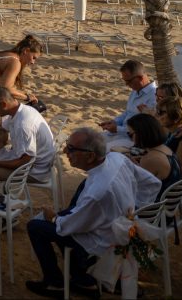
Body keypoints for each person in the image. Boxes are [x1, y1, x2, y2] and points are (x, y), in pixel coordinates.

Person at [26, 127, 160, 298]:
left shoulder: (98, 193)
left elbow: (69, 227)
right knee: (82, 188)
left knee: (36, 226)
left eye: (72, 149)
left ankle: (55, 282)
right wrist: (133, 209)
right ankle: (82, 278)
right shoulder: (117, 158)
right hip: (118, 221)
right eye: (67, 145)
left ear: (90, 156)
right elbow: (151, 183)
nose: (66, 151)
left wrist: (53, 217)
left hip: (104, 238)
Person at [0, 86, 55, 182]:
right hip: (28, 162)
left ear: (3, 104)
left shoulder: (23, 125)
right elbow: (1, 127)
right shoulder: (20, 109)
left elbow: (24, 162)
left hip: (35, 172)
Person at [126, 113, 180, 198]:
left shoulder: (150, 159)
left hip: (153, 206)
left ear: (141, 134)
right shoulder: (165, 148)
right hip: (165, 198)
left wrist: (133, 167)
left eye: (130, 134)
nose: (130, 138)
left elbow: (134, 186)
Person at [99, 59, 156, 134]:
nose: (127, 84)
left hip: (134, 137)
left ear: (140, 78)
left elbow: (144, 128)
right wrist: (114, 122)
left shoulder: (154, 96)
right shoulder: (135, 91)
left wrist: (117, 129)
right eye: (125, 81)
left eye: (129, 81)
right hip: (122, 132)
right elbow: (128, 113)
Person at [156, 96, 182, 176]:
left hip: (168, 184)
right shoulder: (174, 130)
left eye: (162, 112)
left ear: (176, 116)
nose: (158, 115)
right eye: (158, 111)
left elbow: (179, 173)